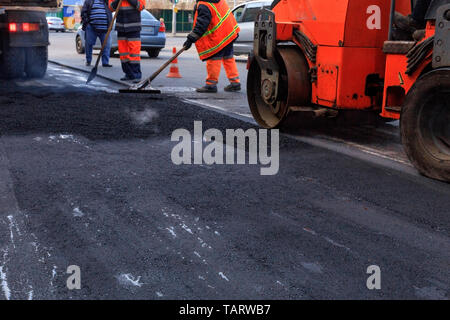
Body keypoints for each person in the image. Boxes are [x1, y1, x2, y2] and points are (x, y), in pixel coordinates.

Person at [183, 0, 241, 93]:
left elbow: (201, 25)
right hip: (229, 33)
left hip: (218, 37)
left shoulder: (204, 5)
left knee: (214, 59)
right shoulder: (219, 1)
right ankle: (235, 83)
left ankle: (211, 85)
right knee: (228, 58)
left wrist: (190, 39)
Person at [109, 0, 145, 82]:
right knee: (123, 53)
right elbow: (111, 8)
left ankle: (136, 75)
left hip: (134, 27)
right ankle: (128, 74)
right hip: (121, 27)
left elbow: (141, 7)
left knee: (134, 52)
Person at [81, 0, 113, 67]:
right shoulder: (89, 1)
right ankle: (88, 61)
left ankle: (105, 62)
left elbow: (112, 8)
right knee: (89, 44)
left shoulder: (107, 1)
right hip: (91, 27)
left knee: (106, 46)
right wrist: (87, 23)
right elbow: (83, 12)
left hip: (105, 28)